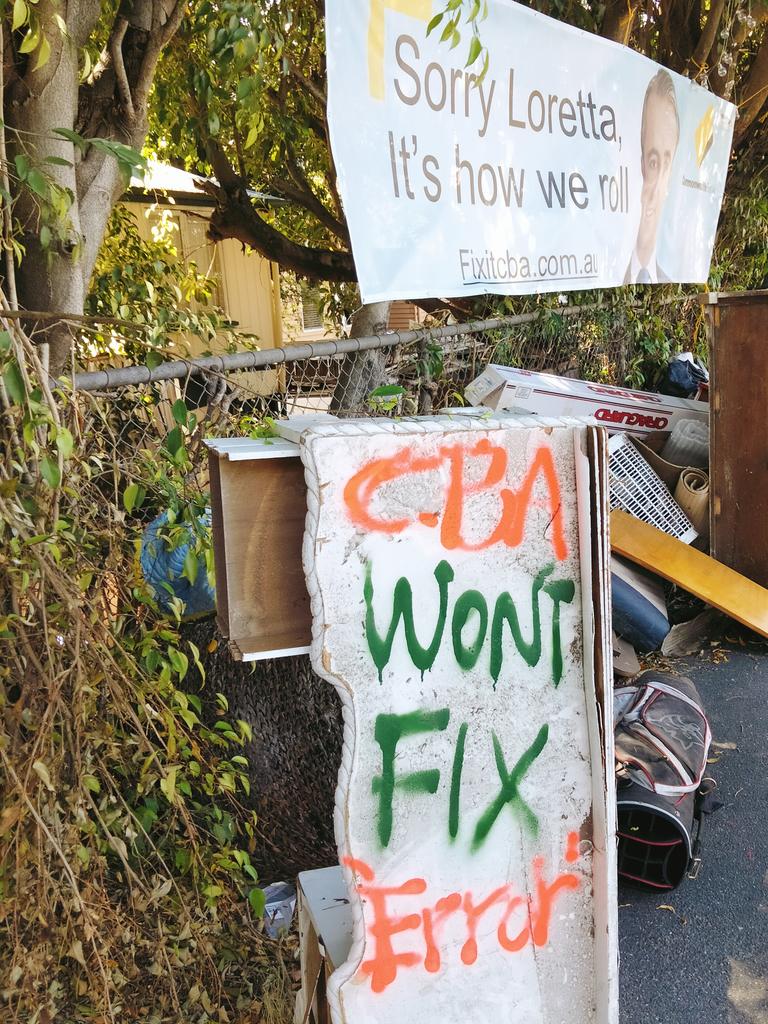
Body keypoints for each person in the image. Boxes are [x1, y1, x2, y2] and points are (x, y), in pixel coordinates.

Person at [624, 69, 679, 284]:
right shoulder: (613, 266)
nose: (655, 188)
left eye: (666, 163)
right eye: (653, 162)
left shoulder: (668, 276)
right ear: (640, 164)